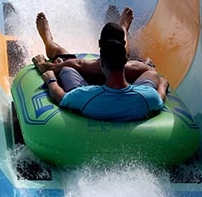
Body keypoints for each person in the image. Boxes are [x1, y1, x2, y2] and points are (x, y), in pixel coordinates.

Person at [31, 7, 168, 122]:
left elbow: (60, 96)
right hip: (127, 86)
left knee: (64, 62)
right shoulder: (148, 95)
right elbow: (159, 94)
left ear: (102, 60)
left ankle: (48, 39)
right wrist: (162, 84)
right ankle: (123, 29)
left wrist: (51, 79)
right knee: (150, 73)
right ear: (125, 61)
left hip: (94, 89)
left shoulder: (84, 95)